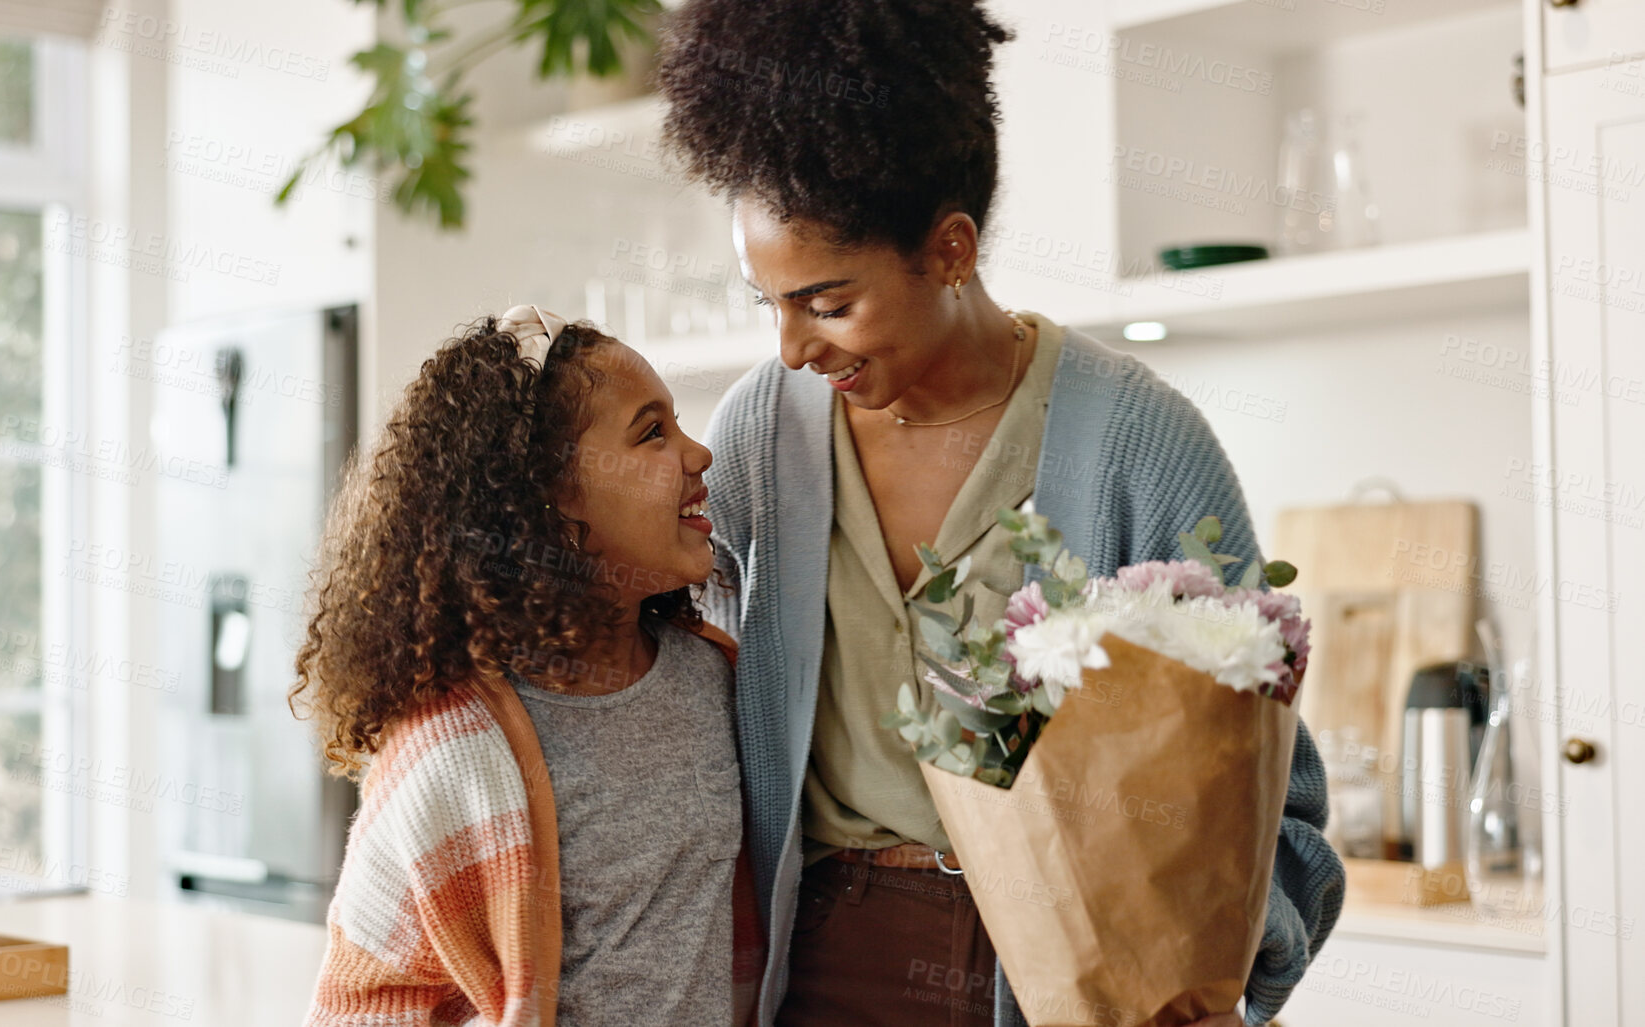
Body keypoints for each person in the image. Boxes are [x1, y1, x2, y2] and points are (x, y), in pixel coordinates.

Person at [656, 3, 1345, 1025]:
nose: (795, 347)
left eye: (829, 301)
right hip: (816, 967)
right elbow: (685, 681)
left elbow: (1262, 792)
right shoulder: (765, 429)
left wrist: (1209, 984)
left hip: (1064, 973)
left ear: (950, 248)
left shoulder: (1136, 443)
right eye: (772, 303)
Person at [292, 307, 762, 1026]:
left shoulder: (716, 677)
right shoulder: (449, 751)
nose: (698, 454)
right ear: (547, 495)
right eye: (651, 433)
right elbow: (365, 995)